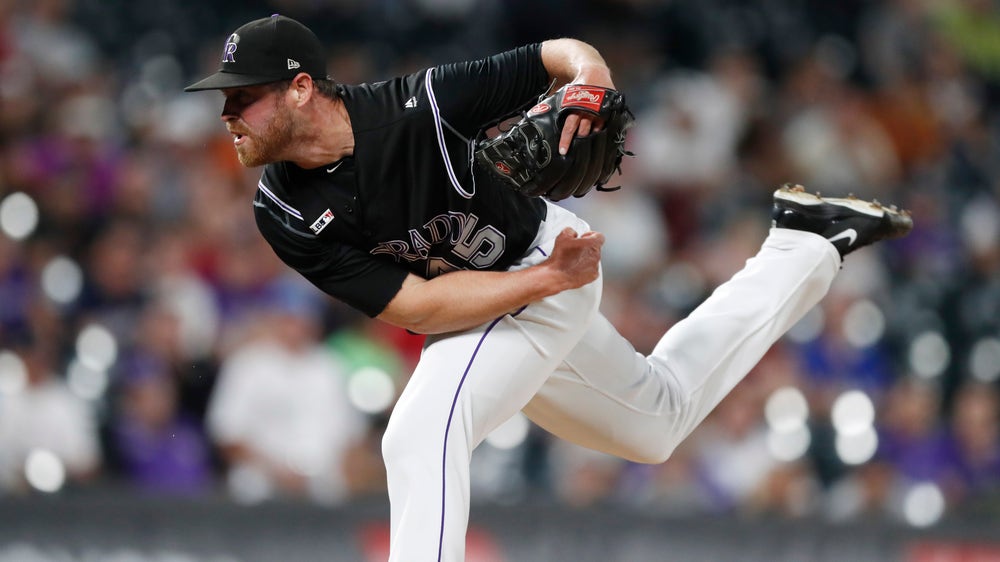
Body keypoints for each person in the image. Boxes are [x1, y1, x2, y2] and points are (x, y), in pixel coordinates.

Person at [184, 14, 912, 561]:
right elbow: (417, 306)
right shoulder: (280, 210)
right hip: (510, 292)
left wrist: (592, 82)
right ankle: (806, 246)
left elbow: (557, 54)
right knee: (656, 422)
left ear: (302, 88)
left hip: (543, 262)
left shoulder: (418, 106)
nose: (227, 116)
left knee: (420, 433)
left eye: (242, 98)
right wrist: (545, 281)